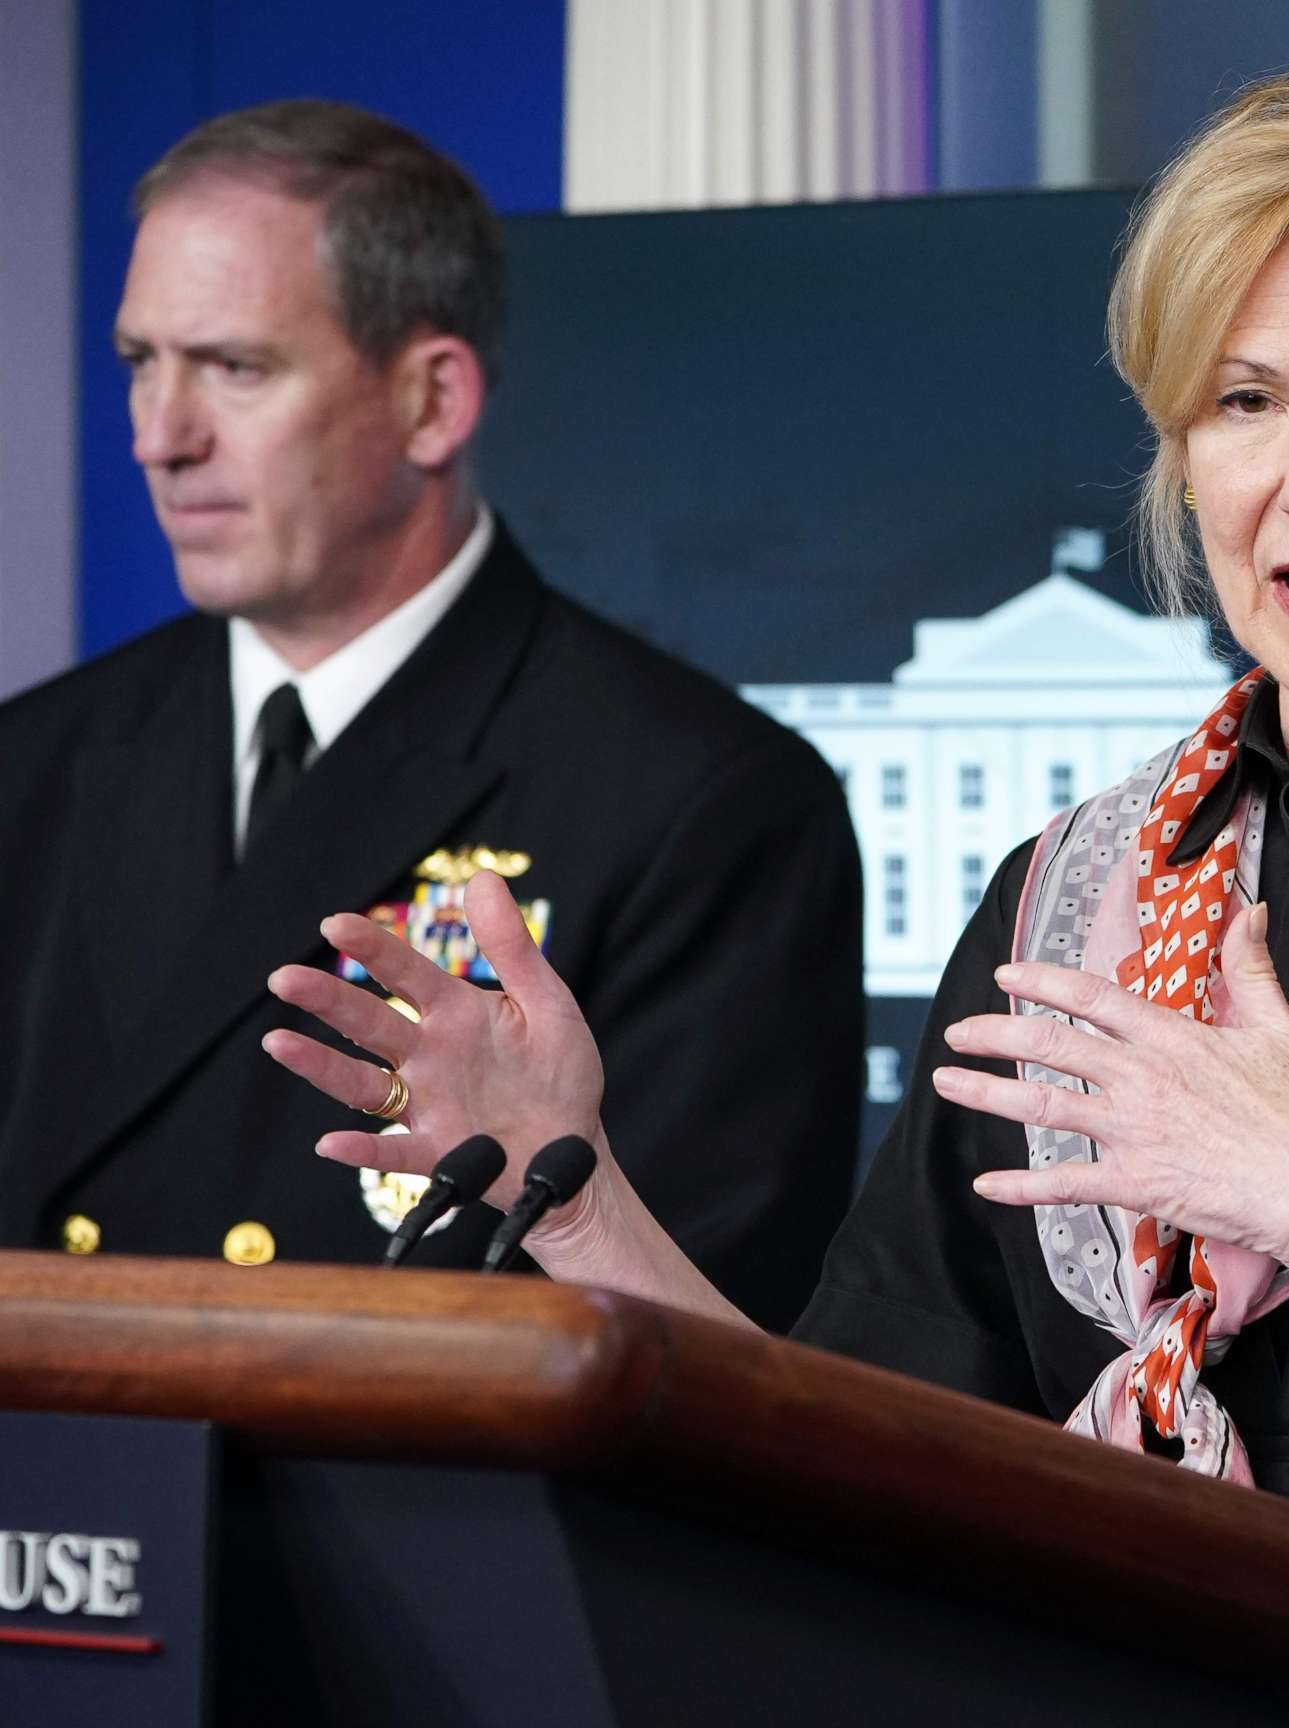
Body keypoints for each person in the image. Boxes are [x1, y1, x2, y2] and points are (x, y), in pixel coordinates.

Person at [263, 64, 1289, 1654]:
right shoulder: (1073, 887)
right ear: (1181, 452)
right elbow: (853, 1455)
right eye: (1243, 401)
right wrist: (575, 1188)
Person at [0, 100, 860, 1331]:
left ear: (431, 403)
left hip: (416, 1511)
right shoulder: (33, 765)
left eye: (235, 368)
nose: (160, 437)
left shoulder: (705, 803)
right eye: (143, 362)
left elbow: (700, 1364)